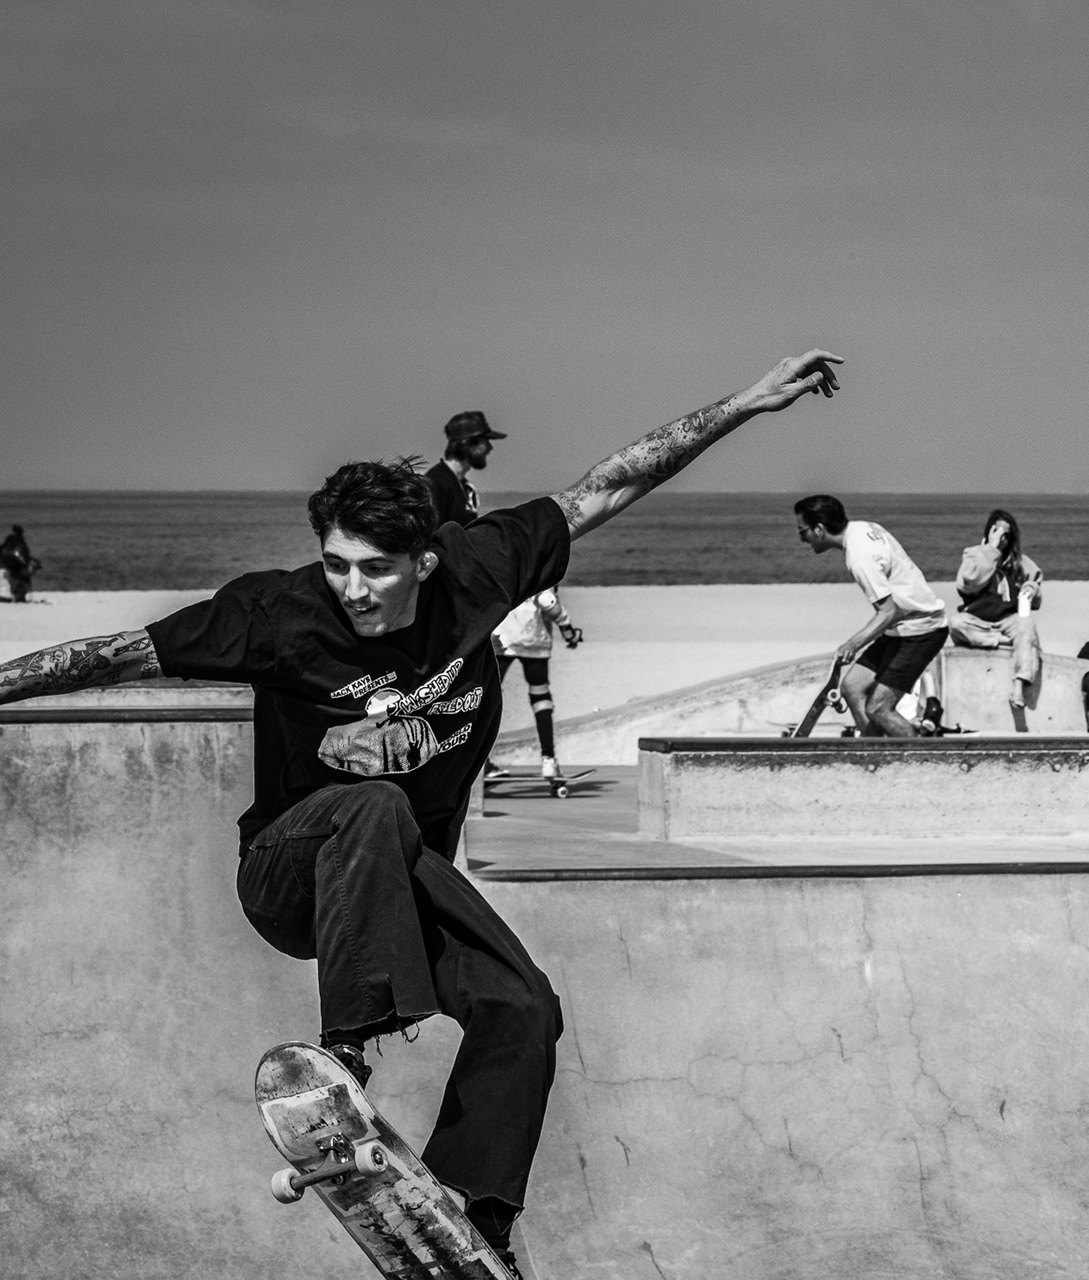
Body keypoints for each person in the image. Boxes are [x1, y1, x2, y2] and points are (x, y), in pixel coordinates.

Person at [0, 349, 843, 1275]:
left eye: (375, 570)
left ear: (427, 559)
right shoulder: (277, 615)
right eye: (336, 566)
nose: (352, 590)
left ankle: (470, 1221)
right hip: (291, 873)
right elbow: (113, 654)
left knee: (523, 1005)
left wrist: (747, 405)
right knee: (367, 802)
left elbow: (610, 486)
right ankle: (347, 1057)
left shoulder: (482, 571)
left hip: (400, 885)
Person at [794, 495, 947, 737]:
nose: (802, 539)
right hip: (902, 627)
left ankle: (923, 760)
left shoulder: (859, 558)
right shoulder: (863, 527)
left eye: (803, 532)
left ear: (820, 529)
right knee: (852, 688)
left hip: (921, 631)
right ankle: (875, 757)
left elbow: (887, 612)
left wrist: (852, 645)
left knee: (879, 708)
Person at [947, 508, 1044, 725]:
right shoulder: (973, 555)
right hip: (978, 622)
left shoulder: (1020, 563)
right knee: (955, 623)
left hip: (1007, 621)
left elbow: (1036, 592)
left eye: (1006, 533)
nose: (1001, 537)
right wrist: (990, 549)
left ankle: (1019, 684)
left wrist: (1031, 589)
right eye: (997, 530)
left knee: (1026, 624)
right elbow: (971, 581)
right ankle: (1004, 643)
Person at [488, 586, 583, 781]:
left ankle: (482, 762)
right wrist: (568, 630)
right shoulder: (540, 563)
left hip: (502, 640)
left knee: (488, 699)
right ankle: (548, 759)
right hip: (534, 641)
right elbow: (548, 600)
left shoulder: (506, 562)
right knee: (541, 698)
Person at [426, 411, 507, 527]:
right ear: (467, 443)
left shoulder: (462, 485)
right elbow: (430, 537)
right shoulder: (438, 482)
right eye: (485, 442)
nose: (490, 448)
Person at [1, 525, 38, 602]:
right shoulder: (20, 541)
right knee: (21, 579)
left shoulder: (9, 539)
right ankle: (20, 595)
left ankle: (16, 594)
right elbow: (25, 554)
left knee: (15, 579)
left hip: (9, 565)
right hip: (19, 567)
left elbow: (3, 548)